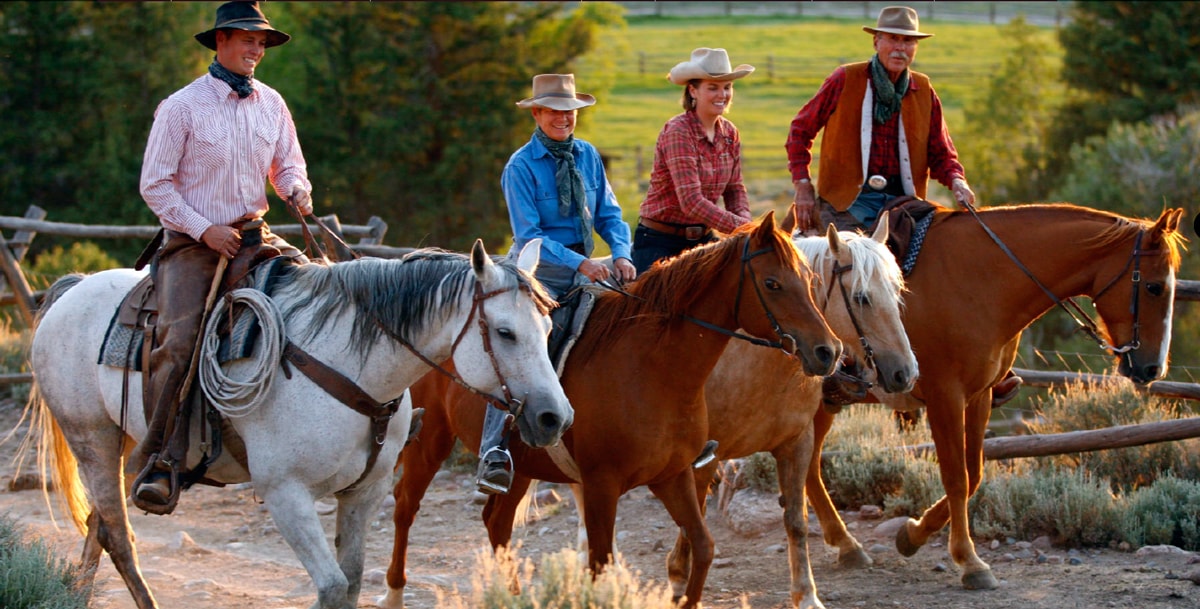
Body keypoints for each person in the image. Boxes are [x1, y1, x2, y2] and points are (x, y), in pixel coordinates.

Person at [785, 5, 1020, 406]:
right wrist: (803, 187)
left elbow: (941, 152)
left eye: (908, 41)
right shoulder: (847, 79)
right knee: (834, 272)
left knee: (946, 260)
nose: (900, 47)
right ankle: (838, 373)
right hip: (848, 200)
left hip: (903, 201)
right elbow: (800, 131)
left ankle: (974, 365)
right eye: (893, 39)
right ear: (876, 41)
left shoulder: (923, 90)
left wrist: (958, 181)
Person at [132, 0, 312, 513]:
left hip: (255, 236)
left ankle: (298, 447)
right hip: (193, 244)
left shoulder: (272, 104)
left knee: (317, 299)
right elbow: (156, 186)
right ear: (221, 41)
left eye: (262, 41)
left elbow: (288, 167)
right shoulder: (181, 106)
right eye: (247, 39)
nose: (257, 48)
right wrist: (202, 229)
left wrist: (297, 190)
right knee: (181, 340)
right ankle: (162, 459)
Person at [476, 73, 637, 495]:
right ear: (537, 113)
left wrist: (621, 252)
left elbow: (609, 214)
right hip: (537, 270)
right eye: (554, 111)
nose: (563, 119)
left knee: (638, 323)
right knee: (521, 346)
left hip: (588, 266)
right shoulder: (520, 166)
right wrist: (581, 263)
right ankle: (494, 451)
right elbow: (530, 236)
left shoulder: (586, 156)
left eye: (569, 112)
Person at [630, 47, 755, 274]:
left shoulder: (729, 133)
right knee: (656, 307)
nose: (722, 95)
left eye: (727, 87)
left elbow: (735, 189)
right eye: (713, 88)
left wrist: (746, 223)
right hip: (661, 241)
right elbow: (691, 201)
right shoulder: (679, 131)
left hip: (704, 238)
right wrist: (745, 228)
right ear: (693, 91)